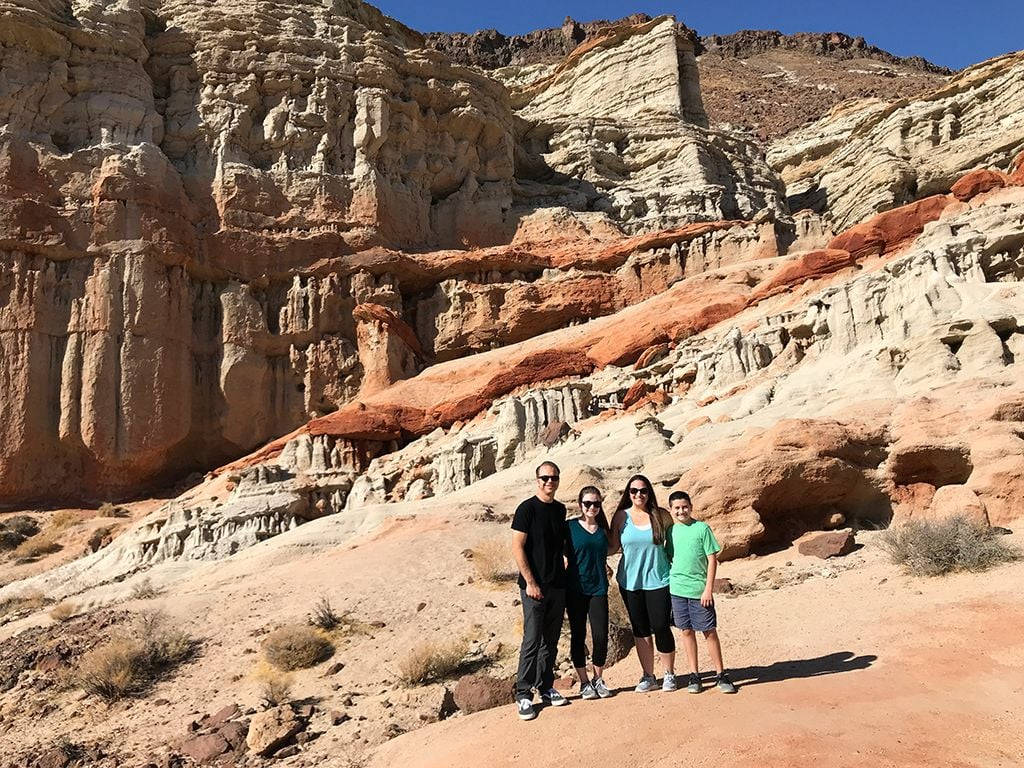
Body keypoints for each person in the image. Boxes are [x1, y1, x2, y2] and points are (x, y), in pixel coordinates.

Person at [511, 461, 569, 720]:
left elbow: (559, 542)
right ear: (537, 480)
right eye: (545, 477)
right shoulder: (527, 509)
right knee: (532, 640)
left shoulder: (560, 509)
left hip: (557, 584)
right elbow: (517, 546)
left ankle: (545, 687)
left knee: (551, 641)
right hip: (534, 586)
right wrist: (530, 582)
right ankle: (523, 694)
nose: (549, 482)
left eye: (554, 477)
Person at [665, 491, 737, 694]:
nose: (681, 511)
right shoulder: (671, 531)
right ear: (671, 510)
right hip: (677, 590)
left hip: (699, 591)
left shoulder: (702, 528)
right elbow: (670, 557)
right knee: (686, 631)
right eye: (677, 508)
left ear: (691, 507)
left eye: (684, 507)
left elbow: (712, 559)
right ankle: (694, 675)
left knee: (709, 631)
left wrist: (708, 589)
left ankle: (721, 674)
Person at [610, 474, 677, 692]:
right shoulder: (621, 517)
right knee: (640, 629)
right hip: (630, 582)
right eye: (634, 491)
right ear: (628, 494)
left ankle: (669, 674)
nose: (639, 494)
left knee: (661, 626)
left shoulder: (661, 515)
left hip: (658, 579)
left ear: (649, 493)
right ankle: (648, 676)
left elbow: (674, 545)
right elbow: (612, 547)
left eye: (643, 490)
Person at [565, 486, 613, 700]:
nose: (592, 507)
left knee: (601, 635)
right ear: (580, 505)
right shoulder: (569, 527)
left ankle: (598, 678)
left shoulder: (603, 530)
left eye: (596, 504)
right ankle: (584, 682)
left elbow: (609, 550)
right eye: (588, 503)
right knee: (578, 635)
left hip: (599, 588)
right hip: (575, 589)